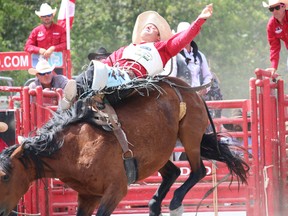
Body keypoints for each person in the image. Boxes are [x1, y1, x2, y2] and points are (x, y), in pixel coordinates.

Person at [61, 4, 214, 109]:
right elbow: (107, 62)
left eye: (153, 27)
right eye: (147, 26)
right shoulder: (125, 49)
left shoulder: (162, 48)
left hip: (133, 81)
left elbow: (183, 38)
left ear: (158, 36)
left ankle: (83, 94)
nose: (149, 26)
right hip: (112, 75)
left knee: (101, 73)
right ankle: (70, 98)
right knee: (94, 70)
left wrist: (200, 19)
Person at [262, 0, 288, 76]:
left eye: (277, 7)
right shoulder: (271, 25)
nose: (274, 11)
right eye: (271, 9)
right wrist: (273, 66)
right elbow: (274, 47)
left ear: (284, 7)